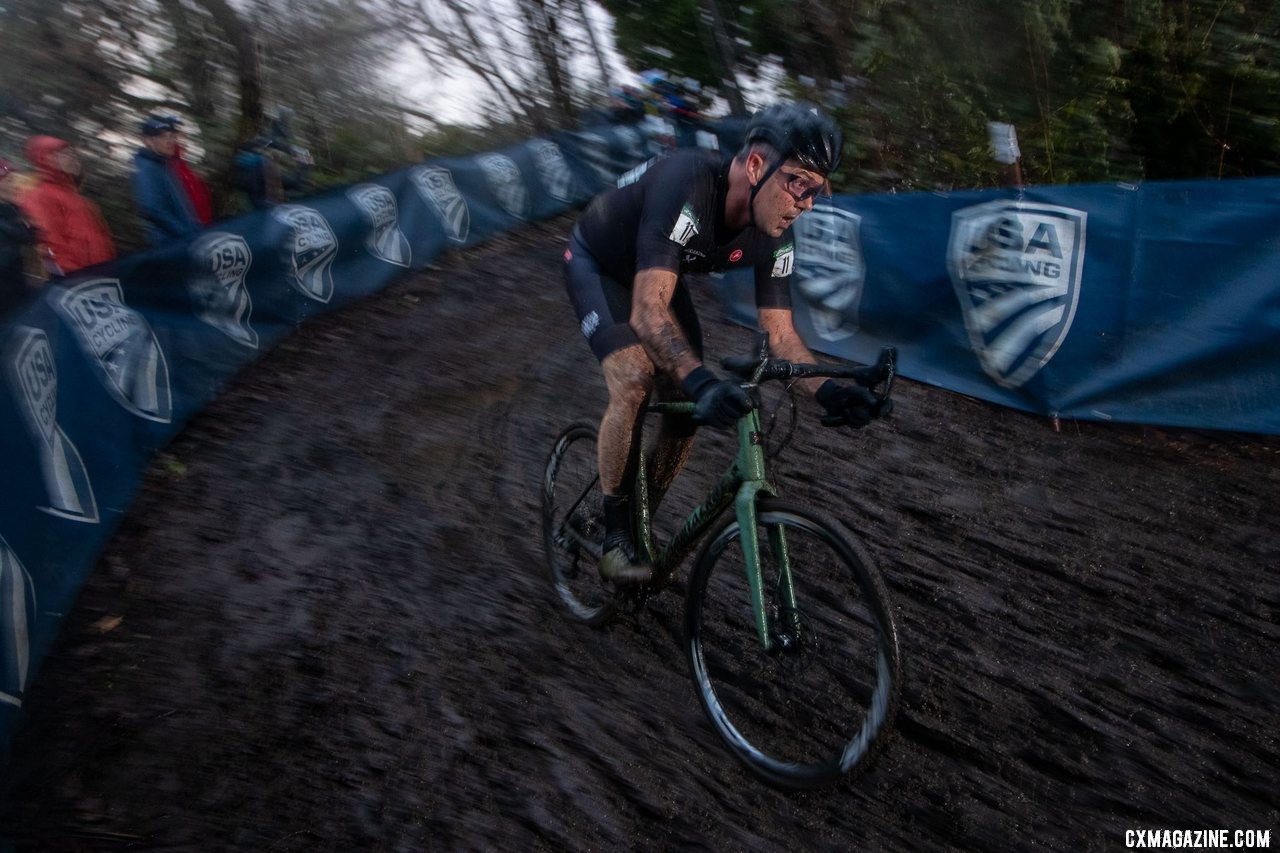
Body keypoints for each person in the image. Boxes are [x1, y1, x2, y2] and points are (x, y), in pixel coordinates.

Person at [563, 102, 887, 584]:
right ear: (756, 166)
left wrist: (829, 390)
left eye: (818, 190)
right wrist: (701, 380)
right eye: (799, 182)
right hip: (601, 265)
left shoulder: (776, 235)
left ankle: (637, 518)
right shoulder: (688, 182)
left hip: (658, 275)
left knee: (685, 413)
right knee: (635, 379)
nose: (807, 202)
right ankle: (614, 539)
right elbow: (648, 312)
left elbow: (781, 334)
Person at [19, 135, 115, 275]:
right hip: (79, 279)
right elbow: (51, 242)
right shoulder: (41, 195)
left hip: (102, 271)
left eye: (72, 153)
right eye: (64, 154)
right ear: (45, 158)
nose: (72, 158)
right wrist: (73, 277)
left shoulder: (74, 194)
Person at [133, 115, 202, 246]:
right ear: (148, 140)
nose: (170, 141)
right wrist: (186, 233)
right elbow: (152, 208)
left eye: (171, 136)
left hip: (184, 240)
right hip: (171, 244)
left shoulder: (164, 165)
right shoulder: (147, 167)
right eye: (163, 137)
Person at [0, 157, 40, 317]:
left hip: (17, 294)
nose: (14, 186)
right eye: (8, 181)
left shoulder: (13, 213)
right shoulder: (11, 219)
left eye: (14, 180)